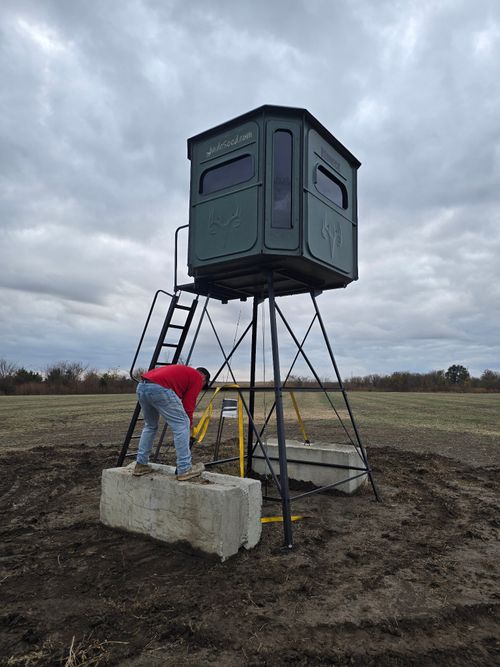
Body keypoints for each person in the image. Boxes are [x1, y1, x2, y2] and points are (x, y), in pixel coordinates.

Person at [133, 364, 210, 480]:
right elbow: (188, 405)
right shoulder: (198, 378)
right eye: (203, 385)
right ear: (204, 378)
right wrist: (189, 425)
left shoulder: (184, 372)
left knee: (150, 426)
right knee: (182, 425)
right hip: (159, 388)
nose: (200, 387)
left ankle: (141, 464)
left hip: (142, 386)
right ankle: (184, 469)